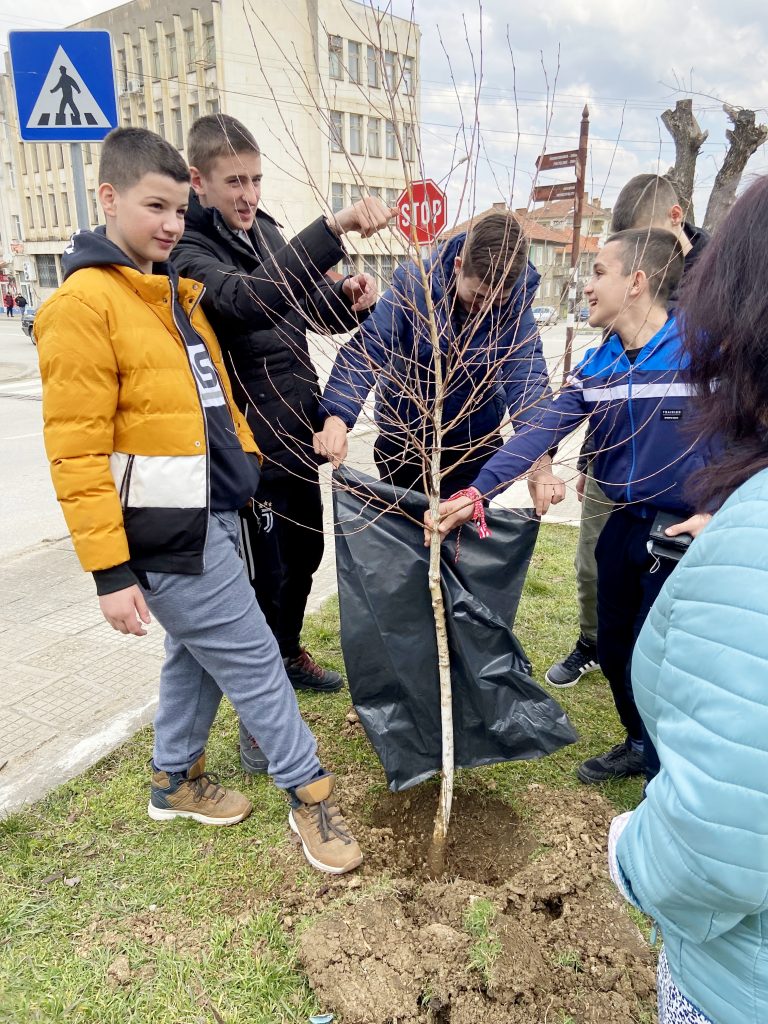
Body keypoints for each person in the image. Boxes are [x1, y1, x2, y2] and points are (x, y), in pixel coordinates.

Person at [35, 126, 363, 876]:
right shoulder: (83, 308)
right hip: (163, 530)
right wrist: (110, 574)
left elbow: (216, 403)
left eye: (179, 210)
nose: (171, 225)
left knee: (197, 652)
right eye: (156, 207)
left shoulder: (170, 295)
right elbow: (76, 456)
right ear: (107, 197)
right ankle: (310, 794)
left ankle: (172, 779)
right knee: (251, 654)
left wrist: (244, 471)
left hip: (215, 509)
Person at [428, 228, 711, 785]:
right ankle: (638, 742)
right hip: (623, 523)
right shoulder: (599, 365)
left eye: (599, 272)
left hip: (685, 532)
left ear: (637, 282)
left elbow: (750, 435)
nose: (586, 286)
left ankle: (673, 775)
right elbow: (538, 432)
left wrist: (719, 511)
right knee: (613, 647)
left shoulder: (702, 353)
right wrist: (474, 491)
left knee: (667, 665)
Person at [172, 115, 392, 749]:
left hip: (297, 433)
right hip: (249, 450)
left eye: (256, 179)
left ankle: (289, 653)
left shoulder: (266, 234)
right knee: (258, 582)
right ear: (199, 182)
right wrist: (333, 229)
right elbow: (247, 302)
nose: (249, 195)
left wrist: (349, 293)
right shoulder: (190, 251)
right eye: (234, 181)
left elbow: (310, 310)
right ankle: (254, 716)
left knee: (305, 559)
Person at [608, 175, 768, 1024]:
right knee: (611, 622)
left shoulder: (754, 553)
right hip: (645, 521)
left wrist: (631, 852)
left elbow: (719, 837)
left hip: (739, 990)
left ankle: (641, 746)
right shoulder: (603, 361)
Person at [546, 174, 710, 689]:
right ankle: (596, 643)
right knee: (598, 564)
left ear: (674, 220)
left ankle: (657, 689)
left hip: (686, 467)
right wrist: (588, 455)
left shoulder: (719, 281)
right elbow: (609, 381)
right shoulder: (611, 328)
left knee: (669, 602)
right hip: (616, 454)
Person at [314, 210, 552, 495]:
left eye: (497, 301)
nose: (485, 309)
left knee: (464, 536)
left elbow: (528, 381)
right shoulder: (415, 287)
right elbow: (368, 349)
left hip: (473, 450)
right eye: (476, 296)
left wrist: (541, 457)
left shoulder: (516, 308)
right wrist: (337, 417)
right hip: (404, 446)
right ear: (459, 265)